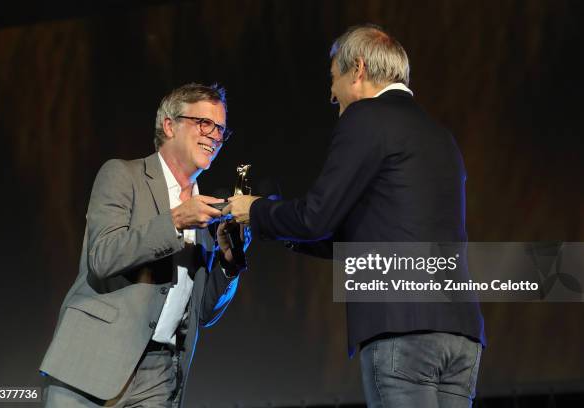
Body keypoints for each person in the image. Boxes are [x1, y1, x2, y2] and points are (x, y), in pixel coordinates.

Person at [225, 25, 486, 407]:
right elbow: (355, 235)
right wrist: (279, 228)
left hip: (400, 332)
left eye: (334, 80)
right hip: (460, 335)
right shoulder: (440, 137)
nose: (332, 94)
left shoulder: (365, 118)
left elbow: (317, 216)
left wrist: (255, 210)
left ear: (358, 70)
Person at [40, 83, 249, 407]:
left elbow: (202, 312)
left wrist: (228, 262)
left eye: (221, 129)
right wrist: (175, 220)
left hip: (160, 374)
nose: (214, 136)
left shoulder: (205, 210)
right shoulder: (123, 175)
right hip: (92, 362)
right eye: (204, 123)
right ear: (169, 125)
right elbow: (103, 257)